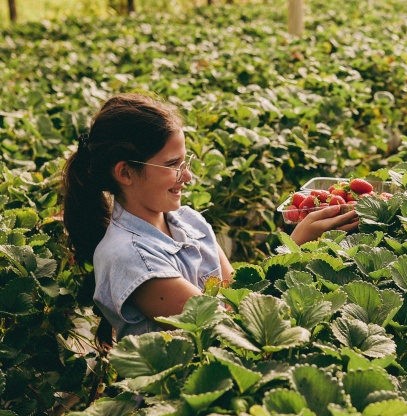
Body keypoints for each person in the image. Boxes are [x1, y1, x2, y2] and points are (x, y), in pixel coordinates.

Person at [63, 93, 357, 342]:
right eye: (173, 164)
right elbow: (230, 326)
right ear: (125, 172)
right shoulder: (128, 257)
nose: (187, 175)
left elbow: (239, 294)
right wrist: (296, 247)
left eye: (185, 161)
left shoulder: (188, 220)